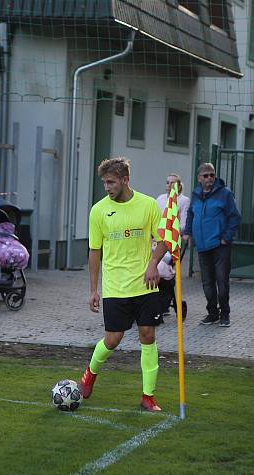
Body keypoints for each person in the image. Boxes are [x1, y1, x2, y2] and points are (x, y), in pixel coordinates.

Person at [78, 157, 168, 412]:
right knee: (113, 339)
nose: (107, 187)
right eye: (105, 182)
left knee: (147, 335)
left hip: (145, 285)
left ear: (125, 180)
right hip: (116, 287)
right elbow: (94, 251)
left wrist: (153, 264)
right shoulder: (98, 210)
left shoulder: (148, 205)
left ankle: (148, 396)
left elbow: (163, 240)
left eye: (111, 182)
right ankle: (90, 372)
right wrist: (94, 289)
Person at [182, 163, 241, 327]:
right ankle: (212, 313)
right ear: (199, 178)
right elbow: (191, 214)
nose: (209, 178)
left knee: (222, 282)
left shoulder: (225, 194)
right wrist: (187, 232)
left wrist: (226, 238)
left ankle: (225, 314)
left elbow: (235, 217)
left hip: (220, 246)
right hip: (202, 246)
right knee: (207, 283)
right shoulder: (196, 194)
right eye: (206, 175)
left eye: (212, 175)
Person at [155, 174, 190, 316]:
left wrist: (168, 232)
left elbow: (182, 225)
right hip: (157, 239)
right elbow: (155, 220)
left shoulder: (183, 201)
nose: (169, 185)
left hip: (172, 241)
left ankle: (161, 300)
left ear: (179, 185)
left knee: (162, 262)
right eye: (167, 182)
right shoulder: (160, 199)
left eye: (172, 183)